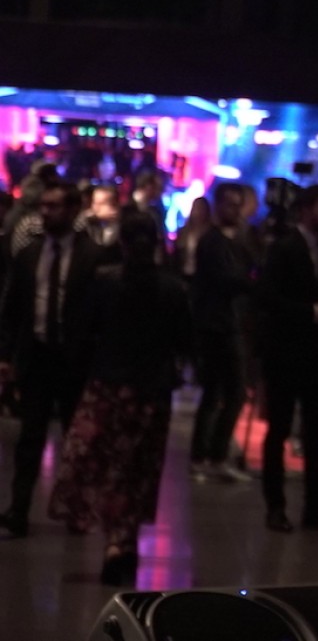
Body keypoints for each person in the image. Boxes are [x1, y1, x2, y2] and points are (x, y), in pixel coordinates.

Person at [47, 208, 191, 584]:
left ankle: (113, 540)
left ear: (122, 244)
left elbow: (81, 334)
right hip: (150, 394)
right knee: (136, 471)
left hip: (107, 387)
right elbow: (185, 342)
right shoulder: (174, 289)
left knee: (104, 465)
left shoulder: (104, 283)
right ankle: (123, 541)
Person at [0, 178, 103, 538]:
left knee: (78, 441)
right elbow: (13, 309)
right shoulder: (30, 254)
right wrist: (7, 355)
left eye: (54, 206)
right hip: (39, 356)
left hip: (76, 360)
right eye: (43, 206)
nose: (46, 213)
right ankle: (18, 510)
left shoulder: (93, 255)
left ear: (73, 210)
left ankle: (77, 510)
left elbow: (102, 312)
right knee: (30, 437)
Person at [255, 183, 318, 532]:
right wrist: (309, 312)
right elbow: (266, 298)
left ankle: (315, 506)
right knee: (279, 430)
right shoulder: (283, 249)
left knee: (317, 432)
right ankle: (275, 506)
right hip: (285, 353)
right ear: (305, 212)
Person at [188, 183, 258, 483]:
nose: (235, 210)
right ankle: (205, 456)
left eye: (238, 204)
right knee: (223, 392)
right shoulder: (212, 241)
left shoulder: (238, 239)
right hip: (216, 326)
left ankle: (211, 455)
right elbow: (229, 279)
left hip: (229, 324)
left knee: (223, 393)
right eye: (230, 204)